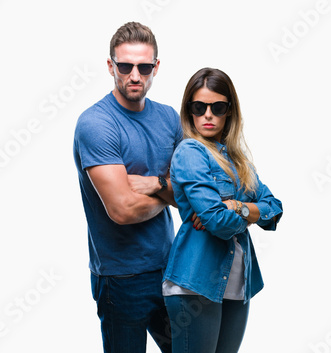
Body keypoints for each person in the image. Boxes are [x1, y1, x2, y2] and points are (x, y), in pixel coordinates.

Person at [73, 22, 182, 353]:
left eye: (144, 67)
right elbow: (121, 210)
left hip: (172, 267)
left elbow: (195, 191)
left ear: (155, 68)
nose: (135, 75)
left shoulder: (169, 119)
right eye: (125, 66)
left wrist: (152, 184)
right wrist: (170, 189)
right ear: (111, 67)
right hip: (121, 279)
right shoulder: (96, 124)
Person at [162, 68, 283, 352]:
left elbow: (275, 209)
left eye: (217, 107)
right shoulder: (190, 152)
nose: (208, 115)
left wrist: (238, 207)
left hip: (237, 282)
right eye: (199, 107)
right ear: (188, 110)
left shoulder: (238, 160)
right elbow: (218, 222)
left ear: (229, 111)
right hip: (195, 282)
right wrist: (249, 213)